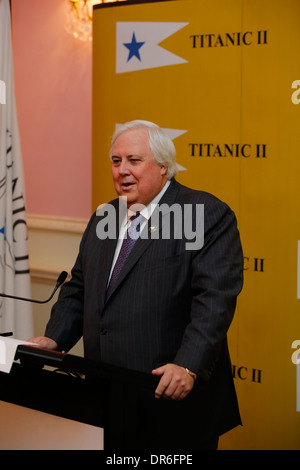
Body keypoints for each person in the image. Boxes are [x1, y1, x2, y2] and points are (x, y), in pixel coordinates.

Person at [29, 120, 243, 450]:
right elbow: (79, 288)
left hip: (169, 402)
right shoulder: (104, 217)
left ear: (163, 166)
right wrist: (54, 339)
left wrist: (188, 365)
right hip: (107, 396)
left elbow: (214, 301)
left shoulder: (204, 213)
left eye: (134, 160)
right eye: (116, 161)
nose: (122, 170)